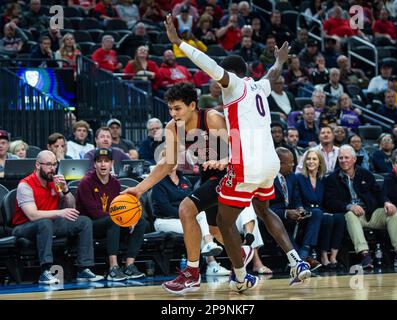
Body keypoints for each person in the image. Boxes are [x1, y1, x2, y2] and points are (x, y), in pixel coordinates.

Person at [161, 14, 311, 292]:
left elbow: (210, 65)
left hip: (248, 163)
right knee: (264, 210)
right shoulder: (258, 87)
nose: (218, 87)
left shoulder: (236, 85)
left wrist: (180, 42)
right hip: (270, 163)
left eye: (221, 83)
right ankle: (296, 260)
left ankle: (241, 277)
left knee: (223, 220)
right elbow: (272, 74)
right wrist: (279, 60)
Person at [123, 82, 239, 295]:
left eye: (177, 108)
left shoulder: (212, 118)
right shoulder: (171, 127)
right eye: (170, 108)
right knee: (215, 231)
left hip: (231, 173)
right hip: (209, 175)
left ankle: (192, 274)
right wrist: (139, 190)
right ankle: (243, 259)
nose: (173, 113)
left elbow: (237, 145)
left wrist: (225, 159)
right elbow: (167, 163)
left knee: (186, 208)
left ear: (193, 105)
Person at [11, 150, 104, 284]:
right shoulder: (25, 185)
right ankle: (45, 271)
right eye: (48, 165)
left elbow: (71, 207)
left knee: (84, 221)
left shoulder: (53, 182)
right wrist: (59, 212)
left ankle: (84, 269)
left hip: (50, 223)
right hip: (23, 227)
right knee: (44, 223)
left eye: (55, 164)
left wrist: (65, 191)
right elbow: (32, 215)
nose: (52, 168)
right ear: (38, 165)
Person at [324, 145, 397, 269]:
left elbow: (379, 193)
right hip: (354, 217)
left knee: (391, 212)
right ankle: (365, 254)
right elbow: (330, 202)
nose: (343, 160)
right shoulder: (332, 179)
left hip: (371, 213)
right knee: (350, 214)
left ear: (354, 159)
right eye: (341, 158)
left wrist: (387, 202)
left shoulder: (366, 174)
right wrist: (349, 206)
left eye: (346, 157)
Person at [76, 148, 147, 281]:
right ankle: (113, 268)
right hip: (91, 225)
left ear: (112, 163)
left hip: (111, 222)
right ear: (94, 164)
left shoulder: (115, 183)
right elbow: (94, 212)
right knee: (113, 220)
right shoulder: (85, 182)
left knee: (140, 221)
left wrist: (130, 219)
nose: (103, 164)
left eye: (106, 161)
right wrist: (122, 219)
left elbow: (120, 207)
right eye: (99, 161)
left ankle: (129, 266)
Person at [151, 165, 229, 276]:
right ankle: (211, 263)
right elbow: (164, 207)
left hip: (184, 218)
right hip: (164, 221)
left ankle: (207, 252)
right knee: (199, 228)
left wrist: (189, 214)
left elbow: (194, 201)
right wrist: (186, 214)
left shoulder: (184, 180)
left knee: (201, 217)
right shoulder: (158, 182)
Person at [296, 148, 346, 270]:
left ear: (320, 162)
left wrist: (328, 211)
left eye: (314, 159)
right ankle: (309, 253)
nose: (311, 162)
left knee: (338, 218)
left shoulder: (323, 180)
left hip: (320, 211)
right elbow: (296, 198)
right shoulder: (298, 178)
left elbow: (326, 200)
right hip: (304, 212)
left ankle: (331, 257)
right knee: (321, 215)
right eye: (308, 159)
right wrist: (300, 208)